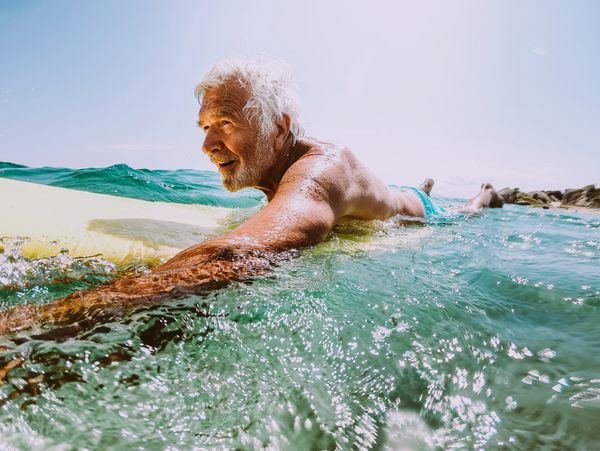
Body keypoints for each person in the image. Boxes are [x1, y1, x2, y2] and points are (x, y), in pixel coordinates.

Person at [0, 58, 502, 336]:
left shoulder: (320, 173)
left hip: (423, 216)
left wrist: (53, 320)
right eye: (203, 126)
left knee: (458, 213)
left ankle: (478, 196)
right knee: (394, 192)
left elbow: (242, 253)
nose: (206, 144)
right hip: (372, 195)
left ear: (280, 127)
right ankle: (422, 187)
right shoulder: (280, 171)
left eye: (224, 124)